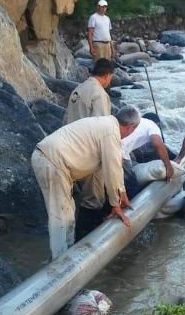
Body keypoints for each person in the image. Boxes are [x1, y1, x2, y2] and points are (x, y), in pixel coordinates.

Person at [31, 106, 141, 259]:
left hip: (55, 162)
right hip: (52, 161)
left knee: (68, 213)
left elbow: (114, 168)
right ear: (131, 127)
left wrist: (121, 193)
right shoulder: (111, 133)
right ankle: (60, 264)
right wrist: (116, 205)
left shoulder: (107, 125)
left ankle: (66, 257)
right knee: (60, 216)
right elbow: (112, 169)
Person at [121, 113, 174, 197]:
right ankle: (132, 204)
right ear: (157, 124)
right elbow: (157, 143)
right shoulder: (153, 126)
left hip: (114, 147)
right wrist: (168, 166)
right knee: (131, 183)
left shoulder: (137, 123)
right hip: (120, 152)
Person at [64, 58, 113, 124]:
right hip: (86, 133)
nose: (110, 82)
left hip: (70, 132)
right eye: (111, 78)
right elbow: (102, 124)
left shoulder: (78, 88)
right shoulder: (99, 94)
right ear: (107, 76)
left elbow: (66, 118)